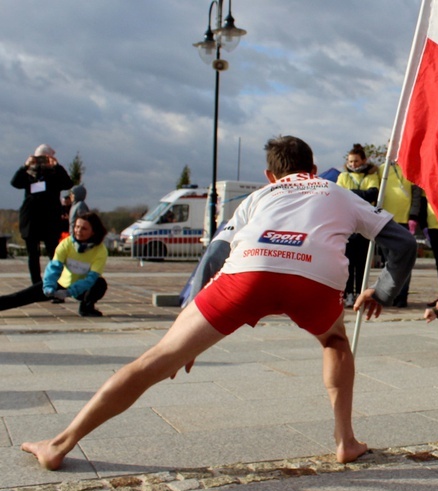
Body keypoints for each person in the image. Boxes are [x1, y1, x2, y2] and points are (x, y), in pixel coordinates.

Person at [21, 135, 416, 471]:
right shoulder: (339, 192)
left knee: (155, 360)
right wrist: (382, 292)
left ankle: (59, 444)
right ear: (313, 169)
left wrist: (188, 327)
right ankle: (345, 441)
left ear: (270, 175)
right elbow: (402, 242)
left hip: (247, 272)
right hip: (315, 280)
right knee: (334, 343)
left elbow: (213, 257)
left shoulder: (257, 197)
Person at [0, 212, 108, 317]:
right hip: (61, 283)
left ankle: (86, 307)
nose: (79, 231)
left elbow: (91, 278)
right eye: (77, 227)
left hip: (83, 289)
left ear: (93, 231)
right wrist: (48, 286)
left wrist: (69, 292)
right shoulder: (66, 243)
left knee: (100, 283)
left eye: (84, 228)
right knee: (21, 296)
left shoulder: (100, 251)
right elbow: (54, 267)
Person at [11, 144, 74, 284]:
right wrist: (25, 166)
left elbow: (68, 184)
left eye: (44, 158)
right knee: (33, 255)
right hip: (31, 219)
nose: (41, 162)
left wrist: (56, 166)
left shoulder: (54, 174)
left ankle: (55, 283)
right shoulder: (29, 173)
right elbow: (15, 183)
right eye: (38, 159)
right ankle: (36, 284)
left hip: (49, 219)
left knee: (54, 253)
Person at [337, 143, 381, 307]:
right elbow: (339, 195)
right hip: (348, 224)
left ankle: (360, 293)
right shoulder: (343, 177)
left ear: (363, 160)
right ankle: (347, 293)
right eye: (350, 161)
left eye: (356, 161)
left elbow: (373, 193)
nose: (353, 164)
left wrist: (351, 194)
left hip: (365, 224)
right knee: (347, 263)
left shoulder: (371, 175)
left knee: (362, 263)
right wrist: (360, 195)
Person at [379, 160, 421, 307]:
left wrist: (414, 216)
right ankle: (388, 294)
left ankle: (402, 296)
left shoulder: (409, 168)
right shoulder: (381, 169)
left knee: (404, 262)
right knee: (388, 262)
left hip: (404, 220)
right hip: (385, 221)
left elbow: (416, 194)